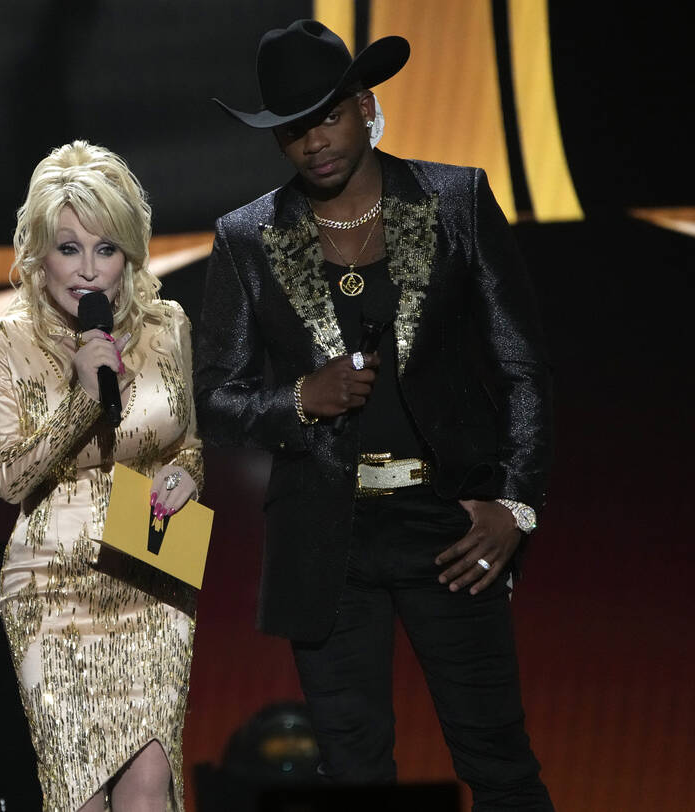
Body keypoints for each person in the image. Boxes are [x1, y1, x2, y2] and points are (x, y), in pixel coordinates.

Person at [194, 20, 554, 810]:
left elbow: (523, 369)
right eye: (293, 127)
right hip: (328, 539)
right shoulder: (249, 238)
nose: (313, 140)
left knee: (498, 762)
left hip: (451, 525)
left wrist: (516, 506)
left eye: (328, 114)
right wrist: (297, 399)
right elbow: (212, 402)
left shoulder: (453, 200)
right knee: (351, 778)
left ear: (364, 106)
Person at [0, 140, 202, 812]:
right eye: (68, 248)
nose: (88, 270)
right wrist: (81, 395)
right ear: (38, 252)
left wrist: (189, 476)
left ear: (129, 254)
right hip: (51, 577)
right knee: (79, 790)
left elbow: (187, 442)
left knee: (150, 779)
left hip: (155, 555)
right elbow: (8, 479)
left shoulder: (167, 326)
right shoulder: (2, 339)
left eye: (106, 249)